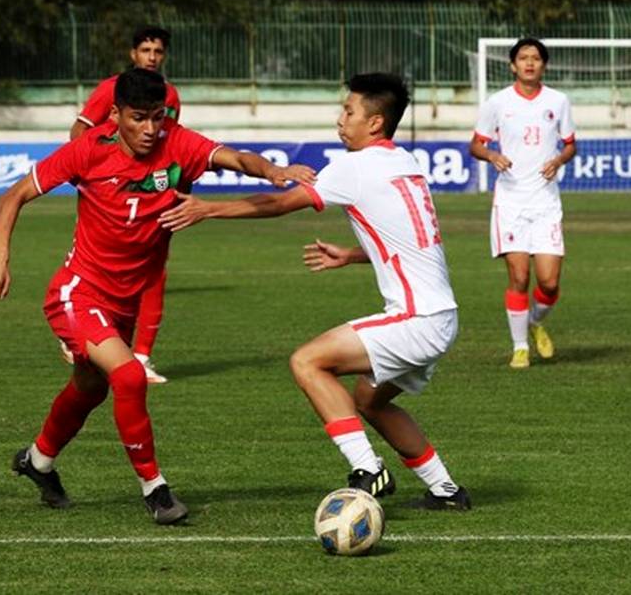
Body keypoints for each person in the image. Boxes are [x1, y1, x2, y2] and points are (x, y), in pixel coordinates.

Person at [0, 68, 315, 524]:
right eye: (139, 118)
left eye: (158, 117)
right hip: (77, 292)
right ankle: (155, 491)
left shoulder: (176, 143)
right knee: (129, 376)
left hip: (124, 302)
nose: (150, 129)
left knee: (89, 387)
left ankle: (37, 462)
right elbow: (13, 195)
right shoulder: (87, 151)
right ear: (115, 115)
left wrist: (272, 170)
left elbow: (234, 158)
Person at [159, 73, 470, 510]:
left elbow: (280, 203)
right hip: (441, 317)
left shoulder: (355, 165)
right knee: (370, 400)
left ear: (375, 123)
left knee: (307, 361)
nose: (340, 120)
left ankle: (369, 470)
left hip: (416, 320)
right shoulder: (405, 164)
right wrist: (352, 254)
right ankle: (447, 490)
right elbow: (412, 242)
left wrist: (208, 209)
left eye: (348, 111)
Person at [66, 25, 180, 384]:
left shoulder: (170, 95)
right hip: (109, 195)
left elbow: (171, 144)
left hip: (153, 194)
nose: (151, 57)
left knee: (154, 270)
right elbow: (79, 131)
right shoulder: (110, 89)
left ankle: (141, 357)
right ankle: (79, 327)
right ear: (133, 54)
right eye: (145, 50)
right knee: (96, 265)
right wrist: (93, 174)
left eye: (158, 52)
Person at [469, 37, 576, 369]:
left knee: (549, 282)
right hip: (511, 202)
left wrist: (558, 160)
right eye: (523, 58)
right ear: (513, 65)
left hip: (545, 202)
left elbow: (571, 145)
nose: (530, 63)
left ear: (544, 65)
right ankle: (519, 348)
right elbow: (475, 145)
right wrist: (491, 154)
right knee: (519, 277)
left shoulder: (558, 101)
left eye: (536, 58)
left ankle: (533, 321)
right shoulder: (497, 103)